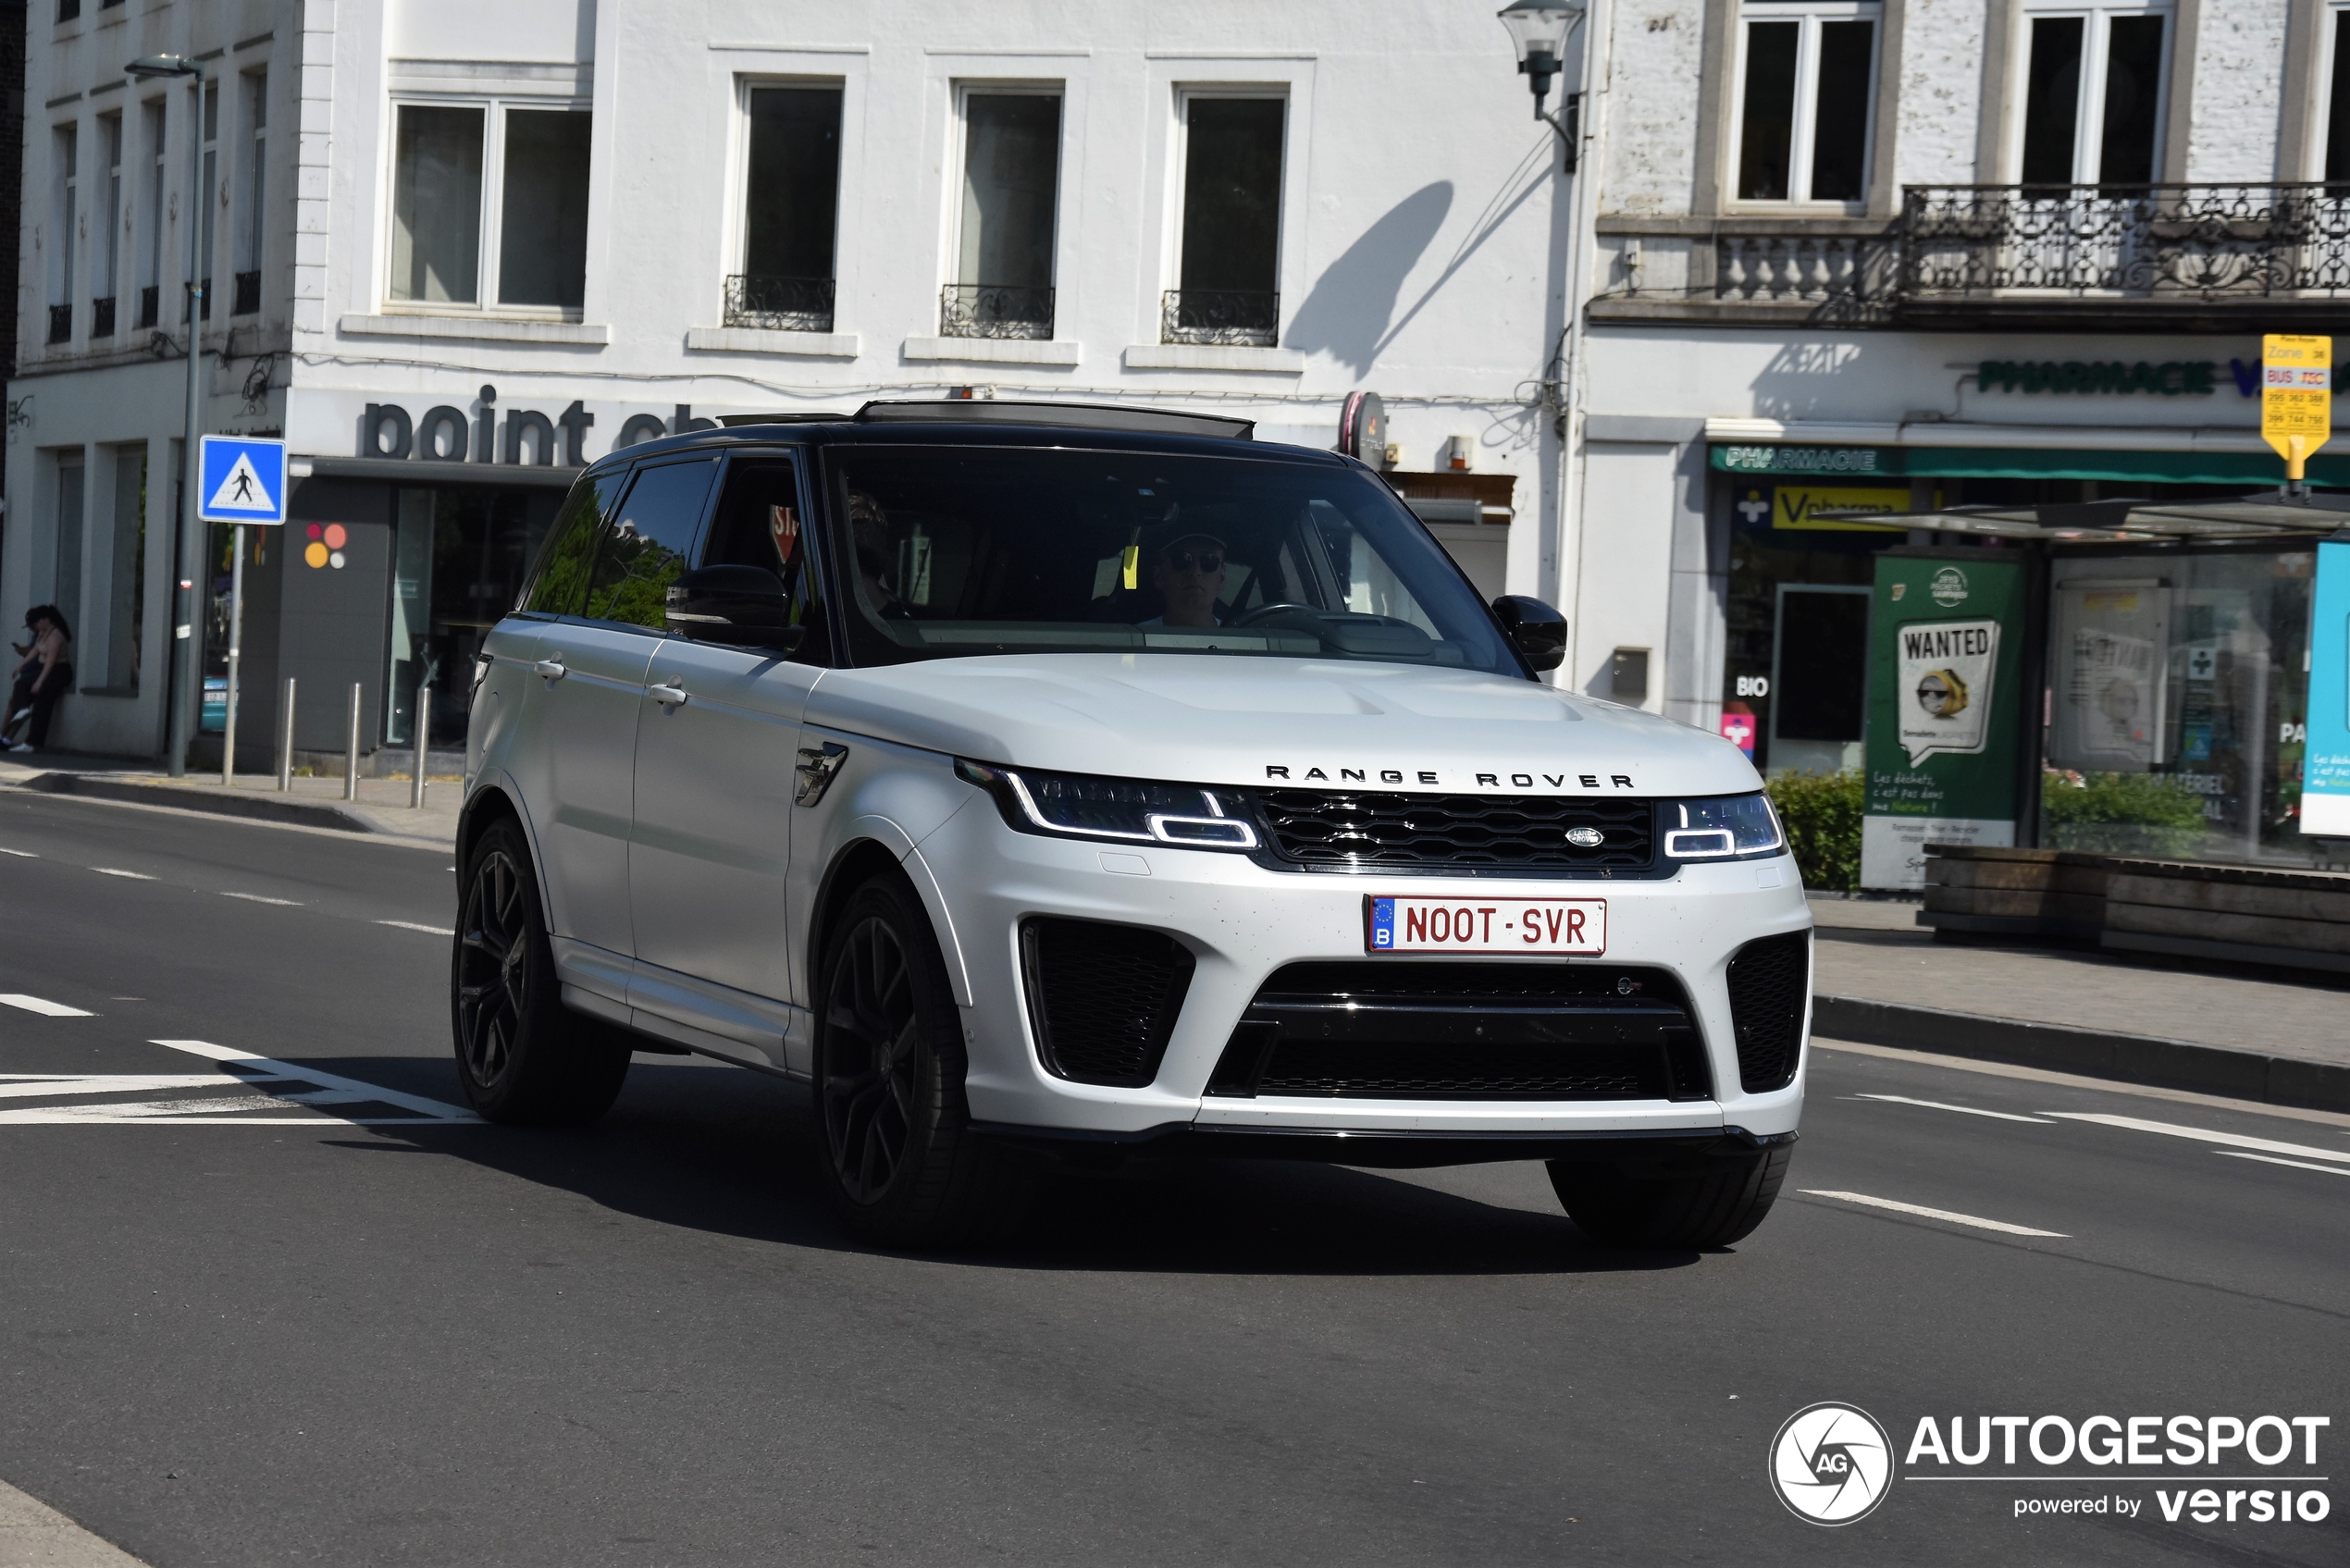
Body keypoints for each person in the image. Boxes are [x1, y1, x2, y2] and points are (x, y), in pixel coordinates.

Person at [3, 605, 72, 753]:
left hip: (59, 672)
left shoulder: (55, 635)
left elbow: (50, 662)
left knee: (42, 700)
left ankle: (33, 742)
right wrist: (20, 666)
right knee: (21, 683)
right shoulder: (42, 632)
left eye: (36, 622)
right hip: (46, 669)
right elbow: (35, 650)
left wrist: (39, 682)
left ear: (45, 620)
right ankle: (22, 709)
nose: (34, 626)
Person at [1141, 532, 1228, 628]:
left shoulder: (1241, 640)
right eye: (1181, 560)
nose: (1195, 571)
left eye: (1209, 561)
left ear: (1222, 578)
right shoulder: (1132, 639)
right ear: (1158, 576)